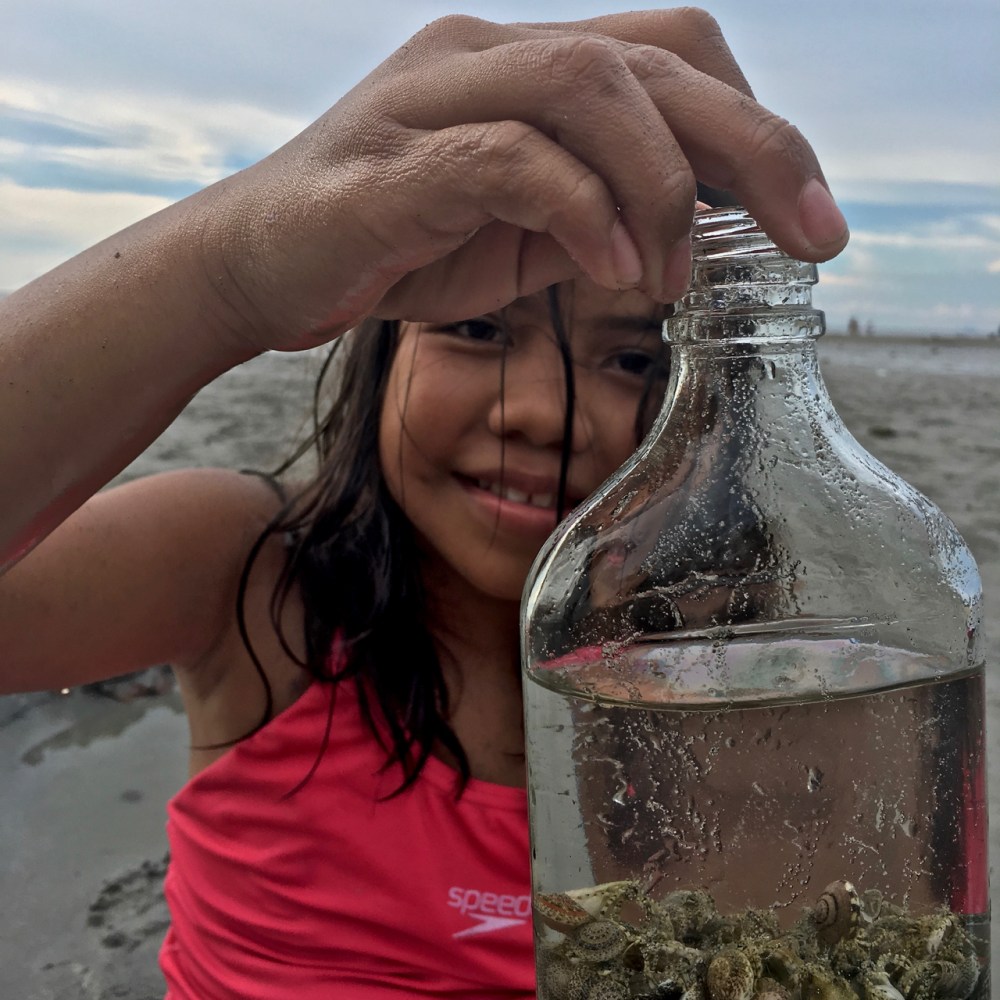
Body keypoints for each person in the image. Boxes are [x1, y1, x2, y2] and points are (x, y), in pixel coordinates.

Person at [0, 9, 849, 998]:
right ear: (380, 354)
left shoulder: (750, 689)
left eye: (632, 359)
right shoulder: (255, 578)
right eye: (479, 329)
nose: (537, 413)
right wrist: (226, 275)